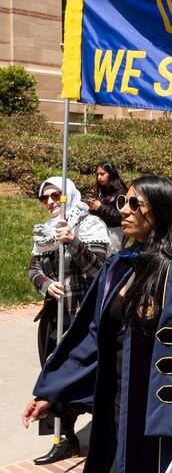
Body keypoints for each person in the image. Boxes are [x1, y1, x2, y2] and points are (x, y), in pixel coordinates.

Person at [22, 175, 172, 472]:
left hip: (161, 421)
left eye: (134, 204)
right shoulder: (119, 266)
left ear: (161, 211)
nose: (124, 211)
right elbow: (91, 336)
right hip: (117, 407)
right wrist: (53, 393)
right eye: (122, 202)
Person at [27, 177, 111, 465]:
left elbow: (101, 268)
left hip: (85, 317)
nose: (50, 202)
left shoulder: (90, 225)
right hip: (56, 315)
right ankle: (63, 438)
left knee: (95, 377)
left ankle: (107, 436)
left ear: (69, 196)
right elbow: (33, 269)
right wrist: (46, 283)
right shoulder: (44, 234)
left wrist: (74, 242)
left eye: (55, 196)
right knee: (53, 373)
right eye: (44, 198)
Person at [86, 162, 128, 252]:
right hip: (102, 229)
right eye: (97, 174)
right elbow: (101, 210)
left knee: (113, 257)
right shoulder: (102, 189)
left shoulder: (121, 191)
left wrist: (100, 207)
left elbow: (120, 216)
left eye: (102, 174)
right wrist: (93, 207)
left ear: (111, 173)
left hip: (116, 231)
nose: (99, 178)